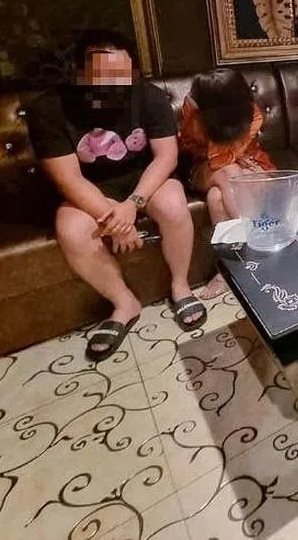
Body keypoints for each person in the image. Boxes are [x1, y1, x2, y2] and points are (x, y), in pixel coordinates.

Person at [26, 29, 205, 362]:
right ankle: (125, 303)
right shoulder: (49, 109)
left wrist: (133, 204)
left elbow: (166, 157)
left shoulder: (149, 97)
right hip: (90, 185)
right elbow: (68, 178)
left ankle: (180, 286)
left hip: (144, 178)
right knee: (71, 230)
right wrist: (115, 218)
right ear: (80, 72)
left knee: (173, 204)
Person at [178, 67, 276, 299]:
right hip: (199, 166)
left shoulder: (252, 114)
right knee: (231, 174)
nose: (192, 98)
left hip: (245, 162)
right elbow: (217, 159)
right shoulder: (193, 110)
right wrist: (244, 170)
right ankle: (258, 249)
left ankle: (229, 268)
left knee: (217, 198)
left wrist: (249, 168)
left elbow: (234, 154)